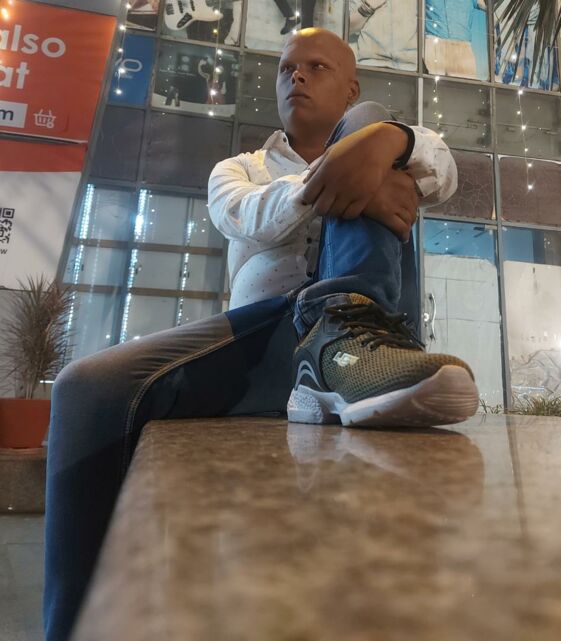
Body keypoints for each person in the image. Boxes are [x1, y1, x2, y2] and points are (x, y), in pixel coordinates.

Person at [43, 27, 478, 641]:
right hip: (267, 336)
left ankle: (347, 337)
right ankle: (71, 628)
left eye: (317, 67)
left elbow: (445, 168)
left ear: (348, 84)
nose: (296, 76)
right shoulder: (239, 168)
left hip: (372, 329)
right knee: (84, 388)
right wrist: (347, 175)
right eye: (286, 69)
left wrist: (388, 141)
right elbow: (243, 215)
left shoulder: (388, 142)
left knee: (374, 122)